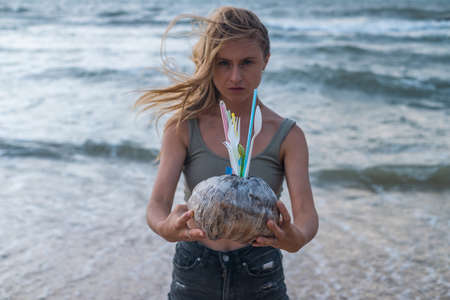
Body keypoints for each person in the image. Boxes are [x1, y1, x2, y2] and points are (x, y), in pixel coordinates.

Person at [135, 6, 318, 300]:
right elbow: (157, 204)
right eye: (223, 63)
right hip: (195, 266)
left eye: (247, 62)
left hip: (260, 269)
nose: (235, 76)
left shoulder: (288, 135)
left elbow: (307, 215)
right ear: (209, 64)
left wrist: (297, 238)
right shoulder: (183, 126)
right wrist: (165, 227)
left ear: (265, 61)